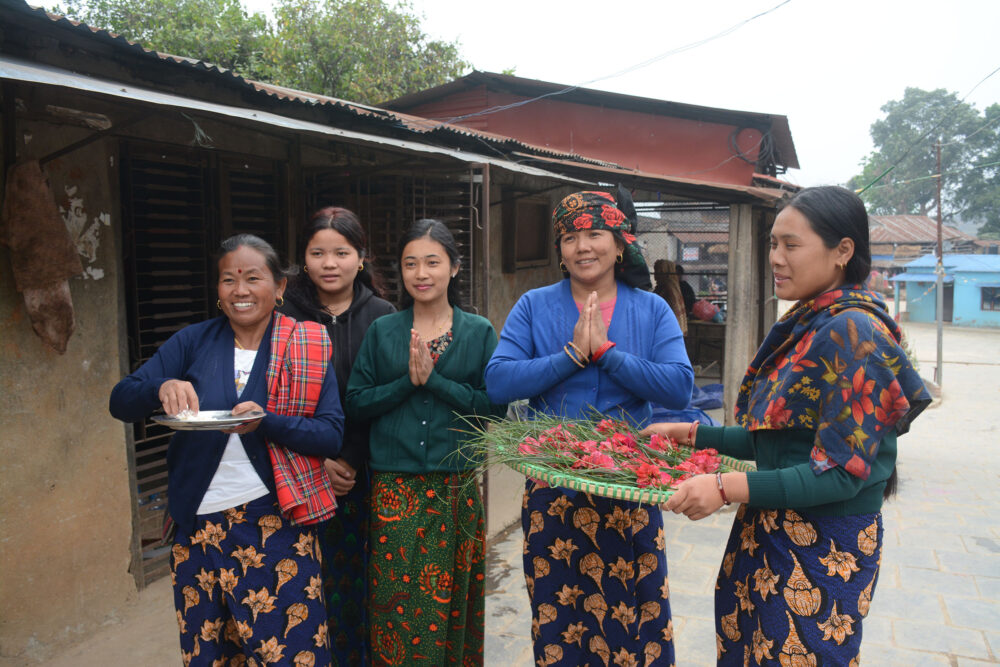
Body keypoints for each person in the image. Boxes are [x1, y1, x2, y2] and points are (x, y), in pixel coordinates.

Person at [644, 186, 931, 665]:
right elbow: (785, 442)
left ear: (842, 251)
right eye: (773, 244)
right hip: (771, 530)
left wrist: (724, 486)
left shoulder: (853, 332)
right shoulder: (812, 322)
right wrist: (691, 434)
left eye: (791, 245)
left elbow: (837, 474)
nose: (776, 257)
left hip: (821, 547)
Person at [109, 234, 344, 666]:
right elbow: (121, 400)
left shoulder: (305, 344)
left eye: (253, 278)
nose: (240, 291)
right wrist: (161, 386)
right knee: (211, 655)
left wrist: (266, 421)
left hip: (276, 526)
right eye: (228, 280)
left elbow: (330, 435)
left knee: (291, 655)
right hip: (197, 529)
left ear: (279, 286)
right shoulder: (194, 341)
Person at [485, 189, 694, 666]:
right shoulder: (534, 306)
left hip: (630, 487)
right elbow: (498, 382)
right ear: (560, 251)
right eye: (570, 237)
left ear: (620, 245)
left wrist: (607, 355)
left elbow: (679, 387)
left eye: (595, 234)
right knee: (560, 613)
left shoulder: (652, 309)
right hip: (554, 487)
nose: (582, 246)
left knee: (636, 613)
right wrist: (571, 356)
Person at [345, 218, 503, 666]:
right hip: (395, 492)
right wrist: (406, 384)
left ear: (454, 267)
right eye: (410, 263)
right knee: (395, 603)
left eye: (432, 262)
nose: (421, 273)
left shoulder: (478, 332)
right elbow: (356, 402)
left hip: (456, 489)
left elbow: (494, 408)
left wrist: (436, 382)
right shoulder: (383, 331)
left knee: (452, 602)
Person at [280, 206, 395, 665]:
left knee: (358, 580)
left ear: (361, 257)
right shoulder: (284, 316)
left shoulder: (383, 317)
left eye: (341, 252)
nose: (330, 263)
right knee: (302, 581)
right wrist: (319, 458)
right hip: (297, 469)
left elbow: (388, 397)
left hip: (362, 473)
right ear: (303, 259)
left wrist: (348, 457)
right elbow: (274, 399)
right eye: (318, 253)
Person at [653, 258, 688, 335]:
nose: (655, 275)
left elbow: (654, 307)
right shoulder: (673, 284)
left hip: (668, 331)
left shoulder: (665, 287)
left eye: (658, 271)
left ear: (664, 271)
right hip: (677, 329)